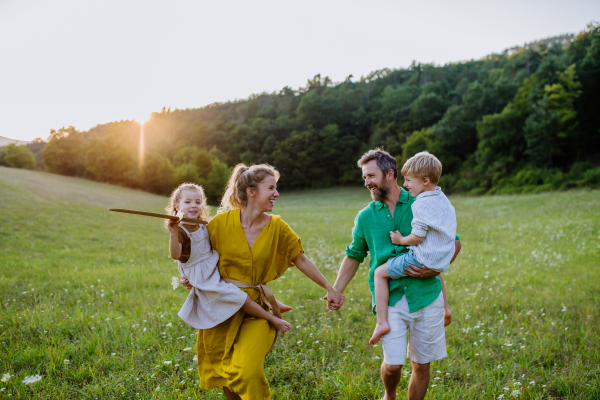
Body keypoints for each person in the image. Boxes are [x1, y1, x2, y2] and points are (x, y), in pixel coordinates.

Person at [181, 164, 344, 400]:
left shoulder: (277, 227)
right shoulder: (219, 224)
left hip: (257, 310)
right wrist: (191, 279)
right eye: (271, 188)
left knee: (247, 370)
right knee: (225, 373)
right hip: (220, 306)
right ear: (251, 191)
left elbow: (299, 258)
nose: (276, 194)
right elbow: (199, 257)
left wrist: (330, 288)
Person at [331, 148, 461, 400]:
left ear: (389, 174)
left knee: (422, 365)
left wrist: (432, 273)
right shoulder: (366, 217)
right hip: (389, 299)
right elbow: (354, 254)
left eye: (370, 175)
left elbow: (452, 243)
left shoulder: (421, 202)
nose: (366, 182)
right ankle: (389, 395)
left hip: (426, 294)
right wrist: (336, 290)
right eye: (364, 178)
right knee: (393, 364)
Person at [166, 182, 292, 334]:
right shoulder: (180, 230)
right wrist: (173, 233)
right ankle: (273, 319)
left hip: (211, 263)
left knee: (237, 277)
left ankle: (271, 301)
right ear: (177, 206)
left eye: (198, 202)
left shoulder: (200, 223)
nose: (194, 205)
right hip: (203, 274)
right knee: (240, 297)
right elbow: (176, 255)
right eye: (188, 202)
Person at [369, 151, 457, 346]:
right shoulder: (443, 199)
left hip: (421, 258)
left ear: (425, 181)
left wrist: (400, 240)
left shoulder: (419, 204)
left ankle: (382, 322)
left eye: (409, 180)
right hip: (441, 258)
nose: (406, 185)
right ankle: (445, 308)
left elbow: (418, 237)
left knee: (379, 273)